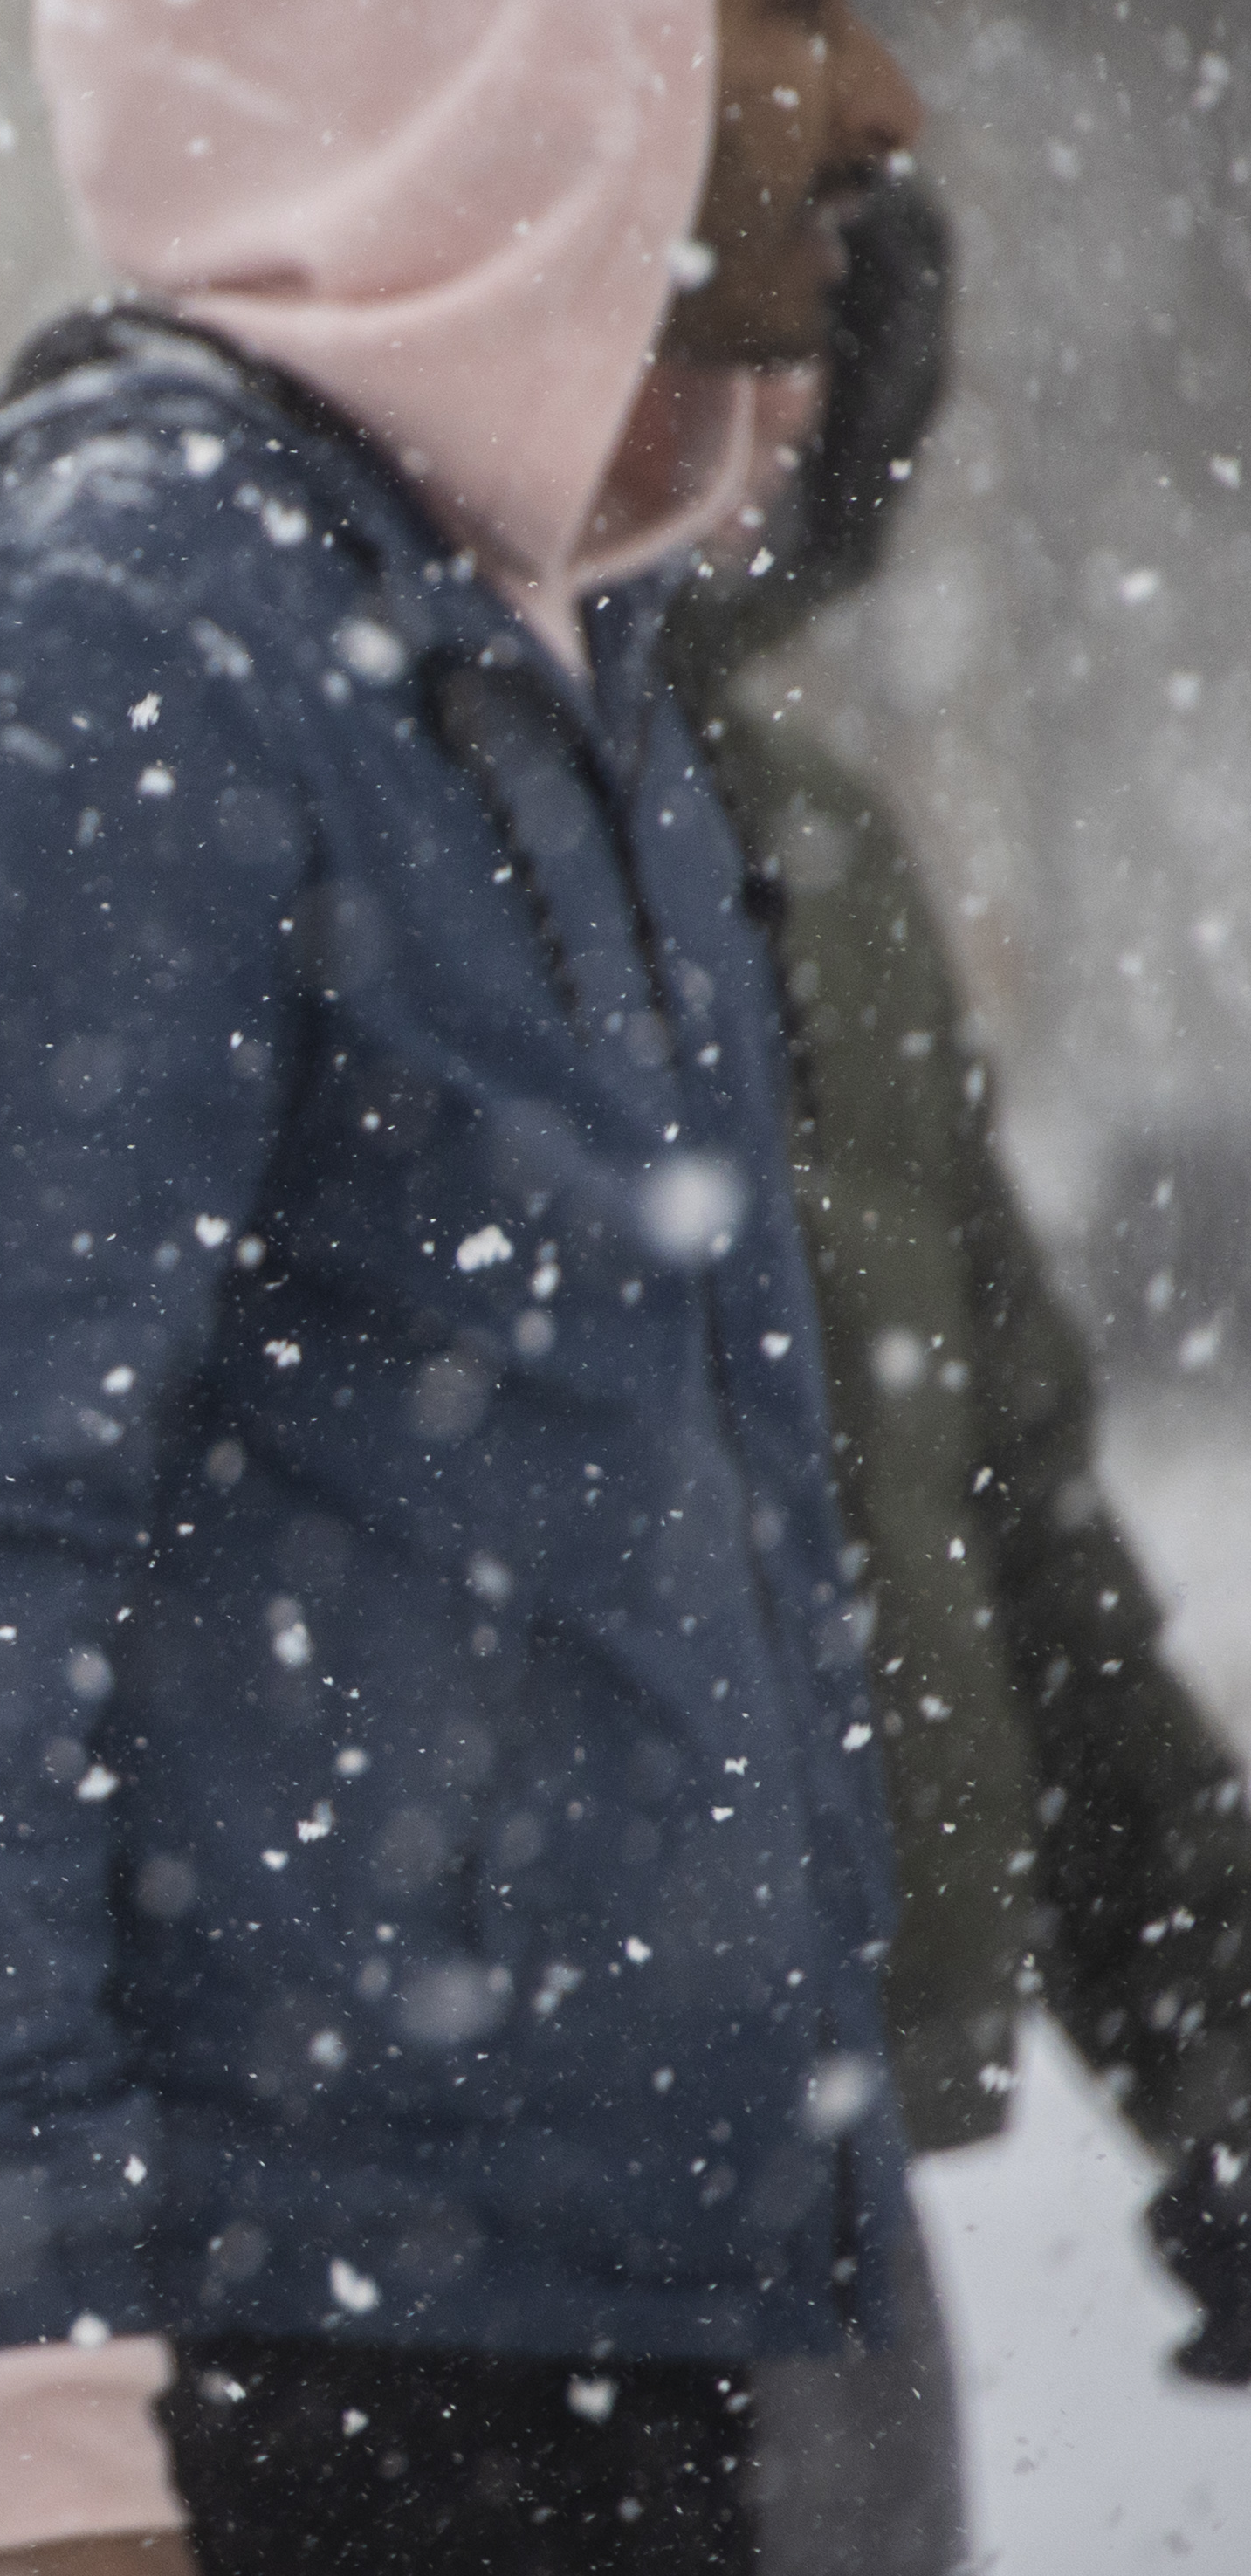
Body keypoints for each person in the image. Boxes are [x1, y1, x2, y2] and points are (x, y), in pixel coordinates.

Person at [0, 0, 926, 2576]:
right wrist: (12, 2410)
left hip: (596, 2323)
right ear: (520, 44)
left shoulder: (523, 651)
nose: (862, 103)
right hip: (279, 2388)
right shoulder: (118, 636)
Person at [661, 168, 1251, 2572]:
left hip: (819, 2181)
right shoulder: (398, 811)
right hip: (460, 2225)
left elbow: (1004, 1504)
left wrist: (1209, 2015)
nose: (785, 415)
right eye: (739, 329)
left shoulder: (817, 859)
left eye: (832, 355)